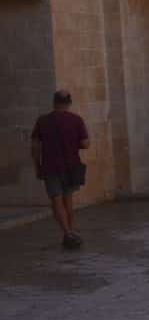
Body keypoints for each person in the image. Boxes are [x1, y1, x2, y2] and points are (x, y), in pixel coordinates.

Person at [31, 90, 89, 249]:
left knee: (56, 201)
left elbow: (35, 147)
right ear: (69, 103)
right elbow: (85, 144)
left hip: (50, 167)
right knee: (68, 200)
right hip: (71, 166)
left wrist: (37, 166)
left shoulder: (42, 121)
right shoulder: (76, 120)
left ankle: (67, 233)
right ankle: (69, 233)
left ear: (54, 102)